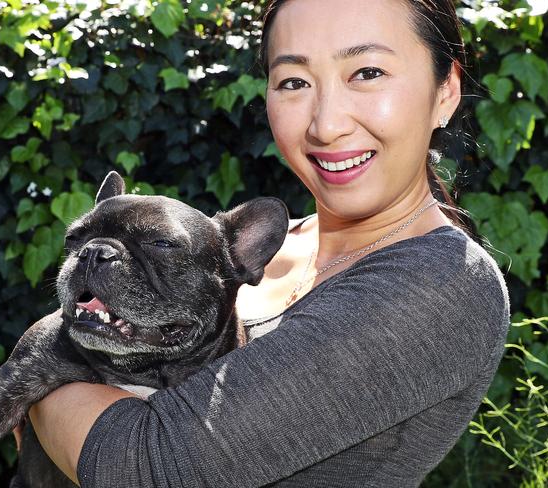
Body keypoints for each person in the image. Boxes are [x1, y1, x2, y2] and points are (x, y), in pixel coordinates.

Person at [27, 0, 511, 486]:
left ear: (446, 90)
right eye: (294, 82)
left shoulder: (440, 286)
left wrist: (32, 382)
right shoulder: (251, 252)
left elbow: (143, 468)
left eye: (367, 72)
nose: (326, 124)